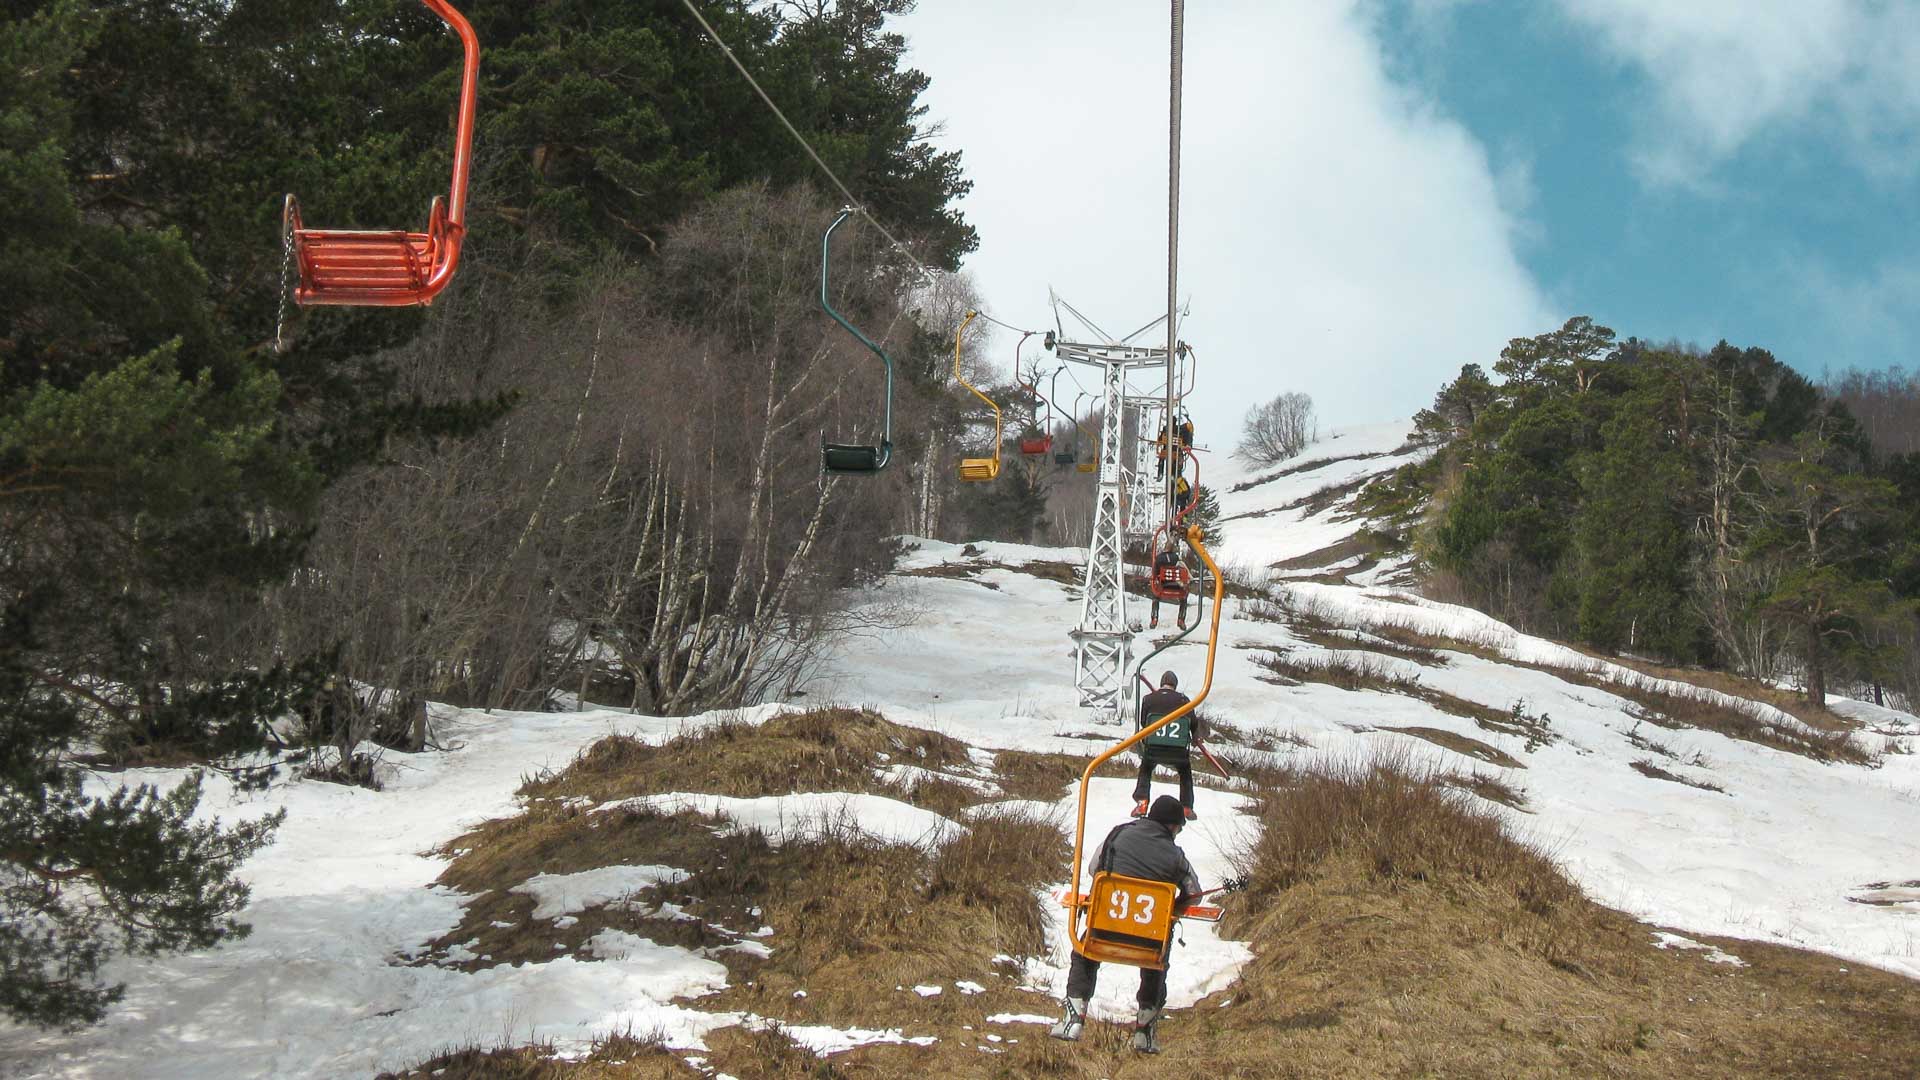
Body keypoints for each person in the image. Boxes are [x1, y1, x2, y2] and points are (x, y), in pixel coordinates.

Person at [1049, 794, 1204, 1054]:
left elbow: (1093, 868)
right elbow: (1194, 893)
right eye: (1179, 828)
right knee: (1157, 962)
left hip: (1103, 933)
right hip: (1149, 943)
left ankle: (1073, 1020)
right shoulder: (1176, 856)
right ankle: (1145, 1032)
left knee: (1084, 953)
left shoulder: (1117, 835)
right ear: (1172, 826)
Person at [1131, 671, 1201, 820]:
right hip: (1178, 751)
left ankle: (1142, 802)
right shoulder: (1184, 700)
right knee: (1185, 772)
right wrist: (1195, 738)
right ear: (1175, 685)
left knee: (1146, 769)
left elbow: (1144, 722)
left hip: (1154, 748)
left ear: (1161, 683)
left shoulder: (1149, 699)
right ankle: (1186, 807)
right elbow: (1193, 724)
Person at [1148, 547, 1188, 630]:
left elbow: (1155, 573)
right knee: (1184, 599)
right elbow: (1182, 569)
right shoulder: (1176, 557)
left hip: (1164, 586)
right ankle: (1181, 619)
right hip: (1177, 586)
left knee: (1155, 597)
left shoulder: (1158, 558)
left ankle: (1154, 618)